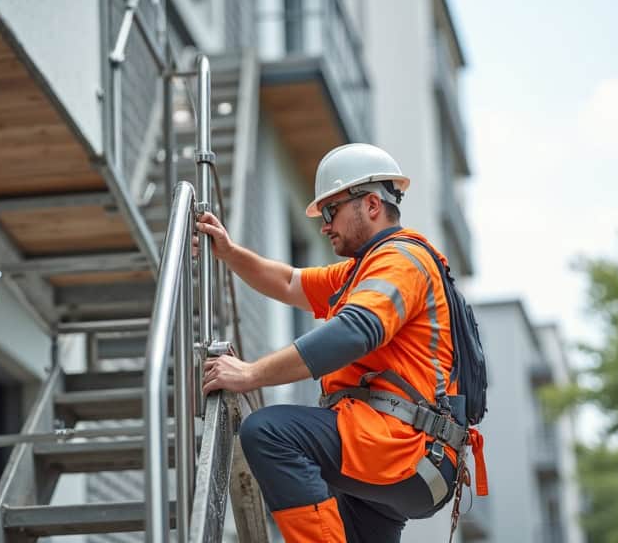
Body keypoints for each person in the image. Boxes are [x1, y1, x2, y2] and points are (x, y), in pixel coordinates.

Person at [196, 143, 470, 543]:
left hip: (403, 445)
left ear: (372, 205)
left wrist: (251, 374)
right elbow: (290, 282)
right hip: (395, 452)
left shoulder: (399, 261)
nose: (325, 225)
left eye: (331, 211)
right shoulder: (357, 274)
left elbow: (354, 331)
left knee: (270, 433)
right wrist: (230, 253)